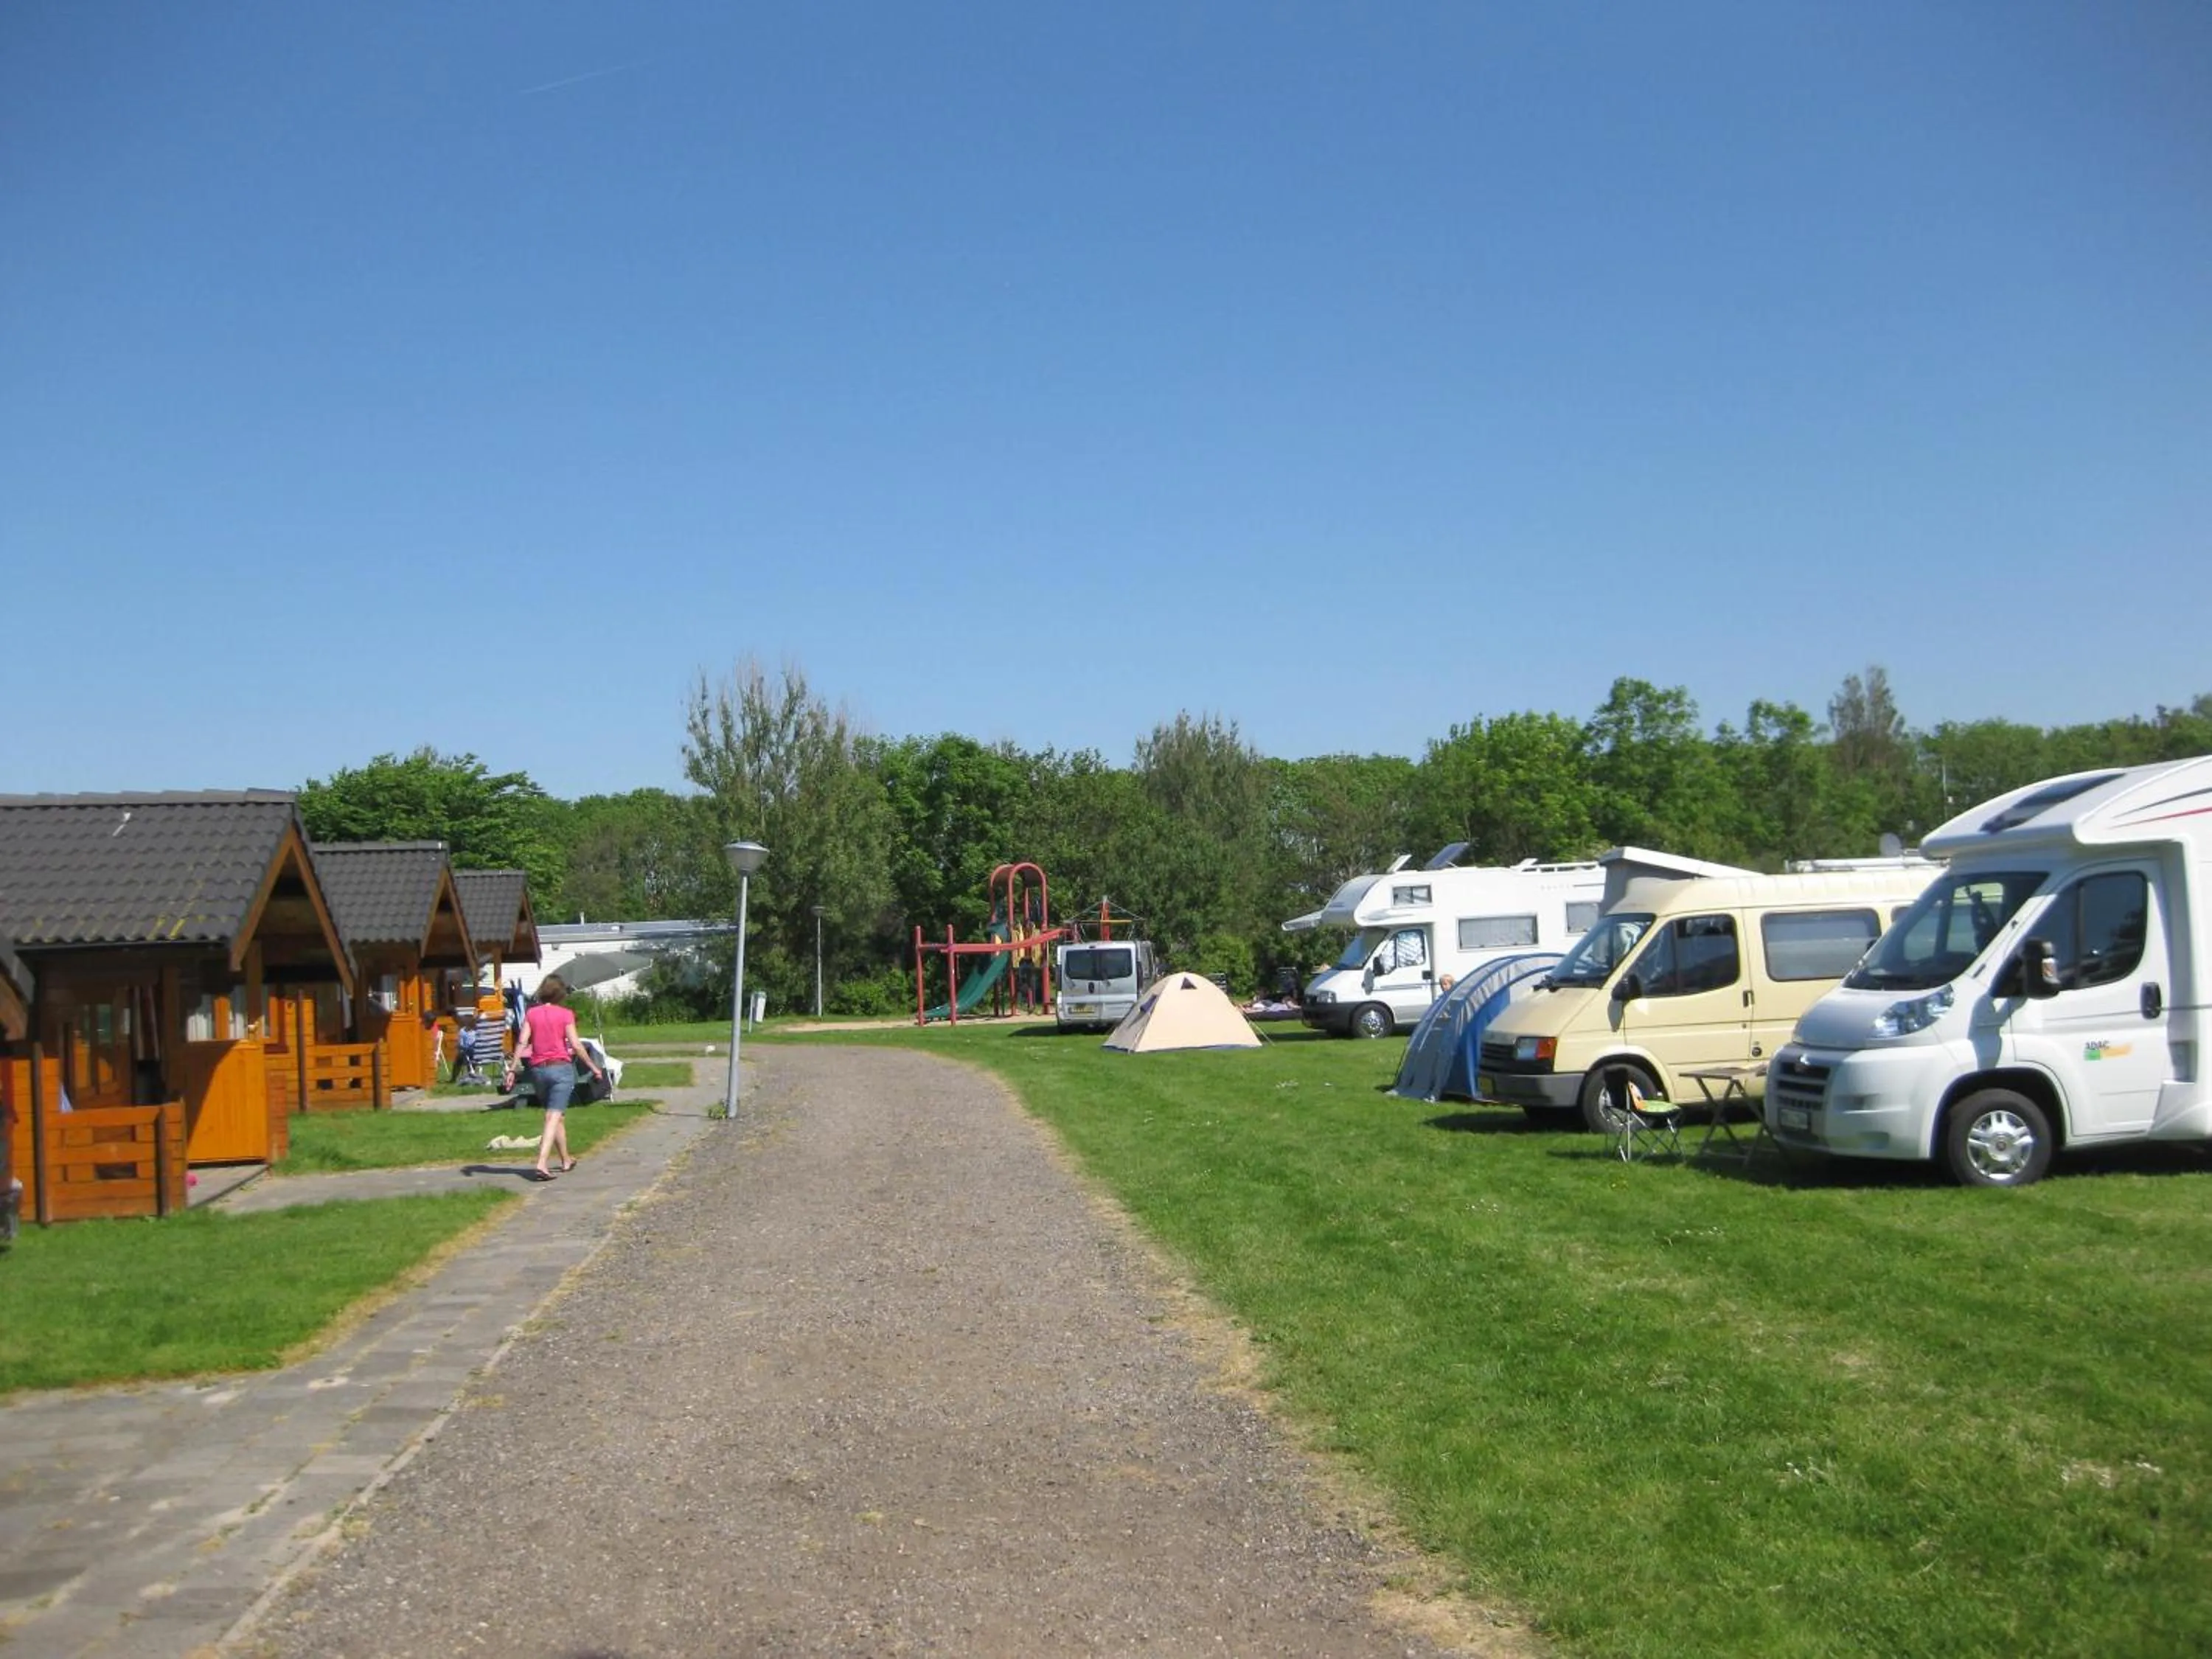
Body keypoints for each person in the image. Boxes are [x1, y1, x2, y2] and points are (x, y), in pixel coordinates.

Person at [504, 974, 606, 1181]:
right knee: (553, 1115)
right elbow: (576, 1046)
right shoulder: (566, 1014)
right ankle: (541, 1162)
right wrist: (594, 1068)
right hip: (561, 1070)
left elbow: (522, 1043)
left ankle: (566, 1159)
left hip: (538, 1071)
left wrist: (512, 1069)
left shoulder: (532, 1014)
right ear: (561, 994)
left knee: (557, 1115)